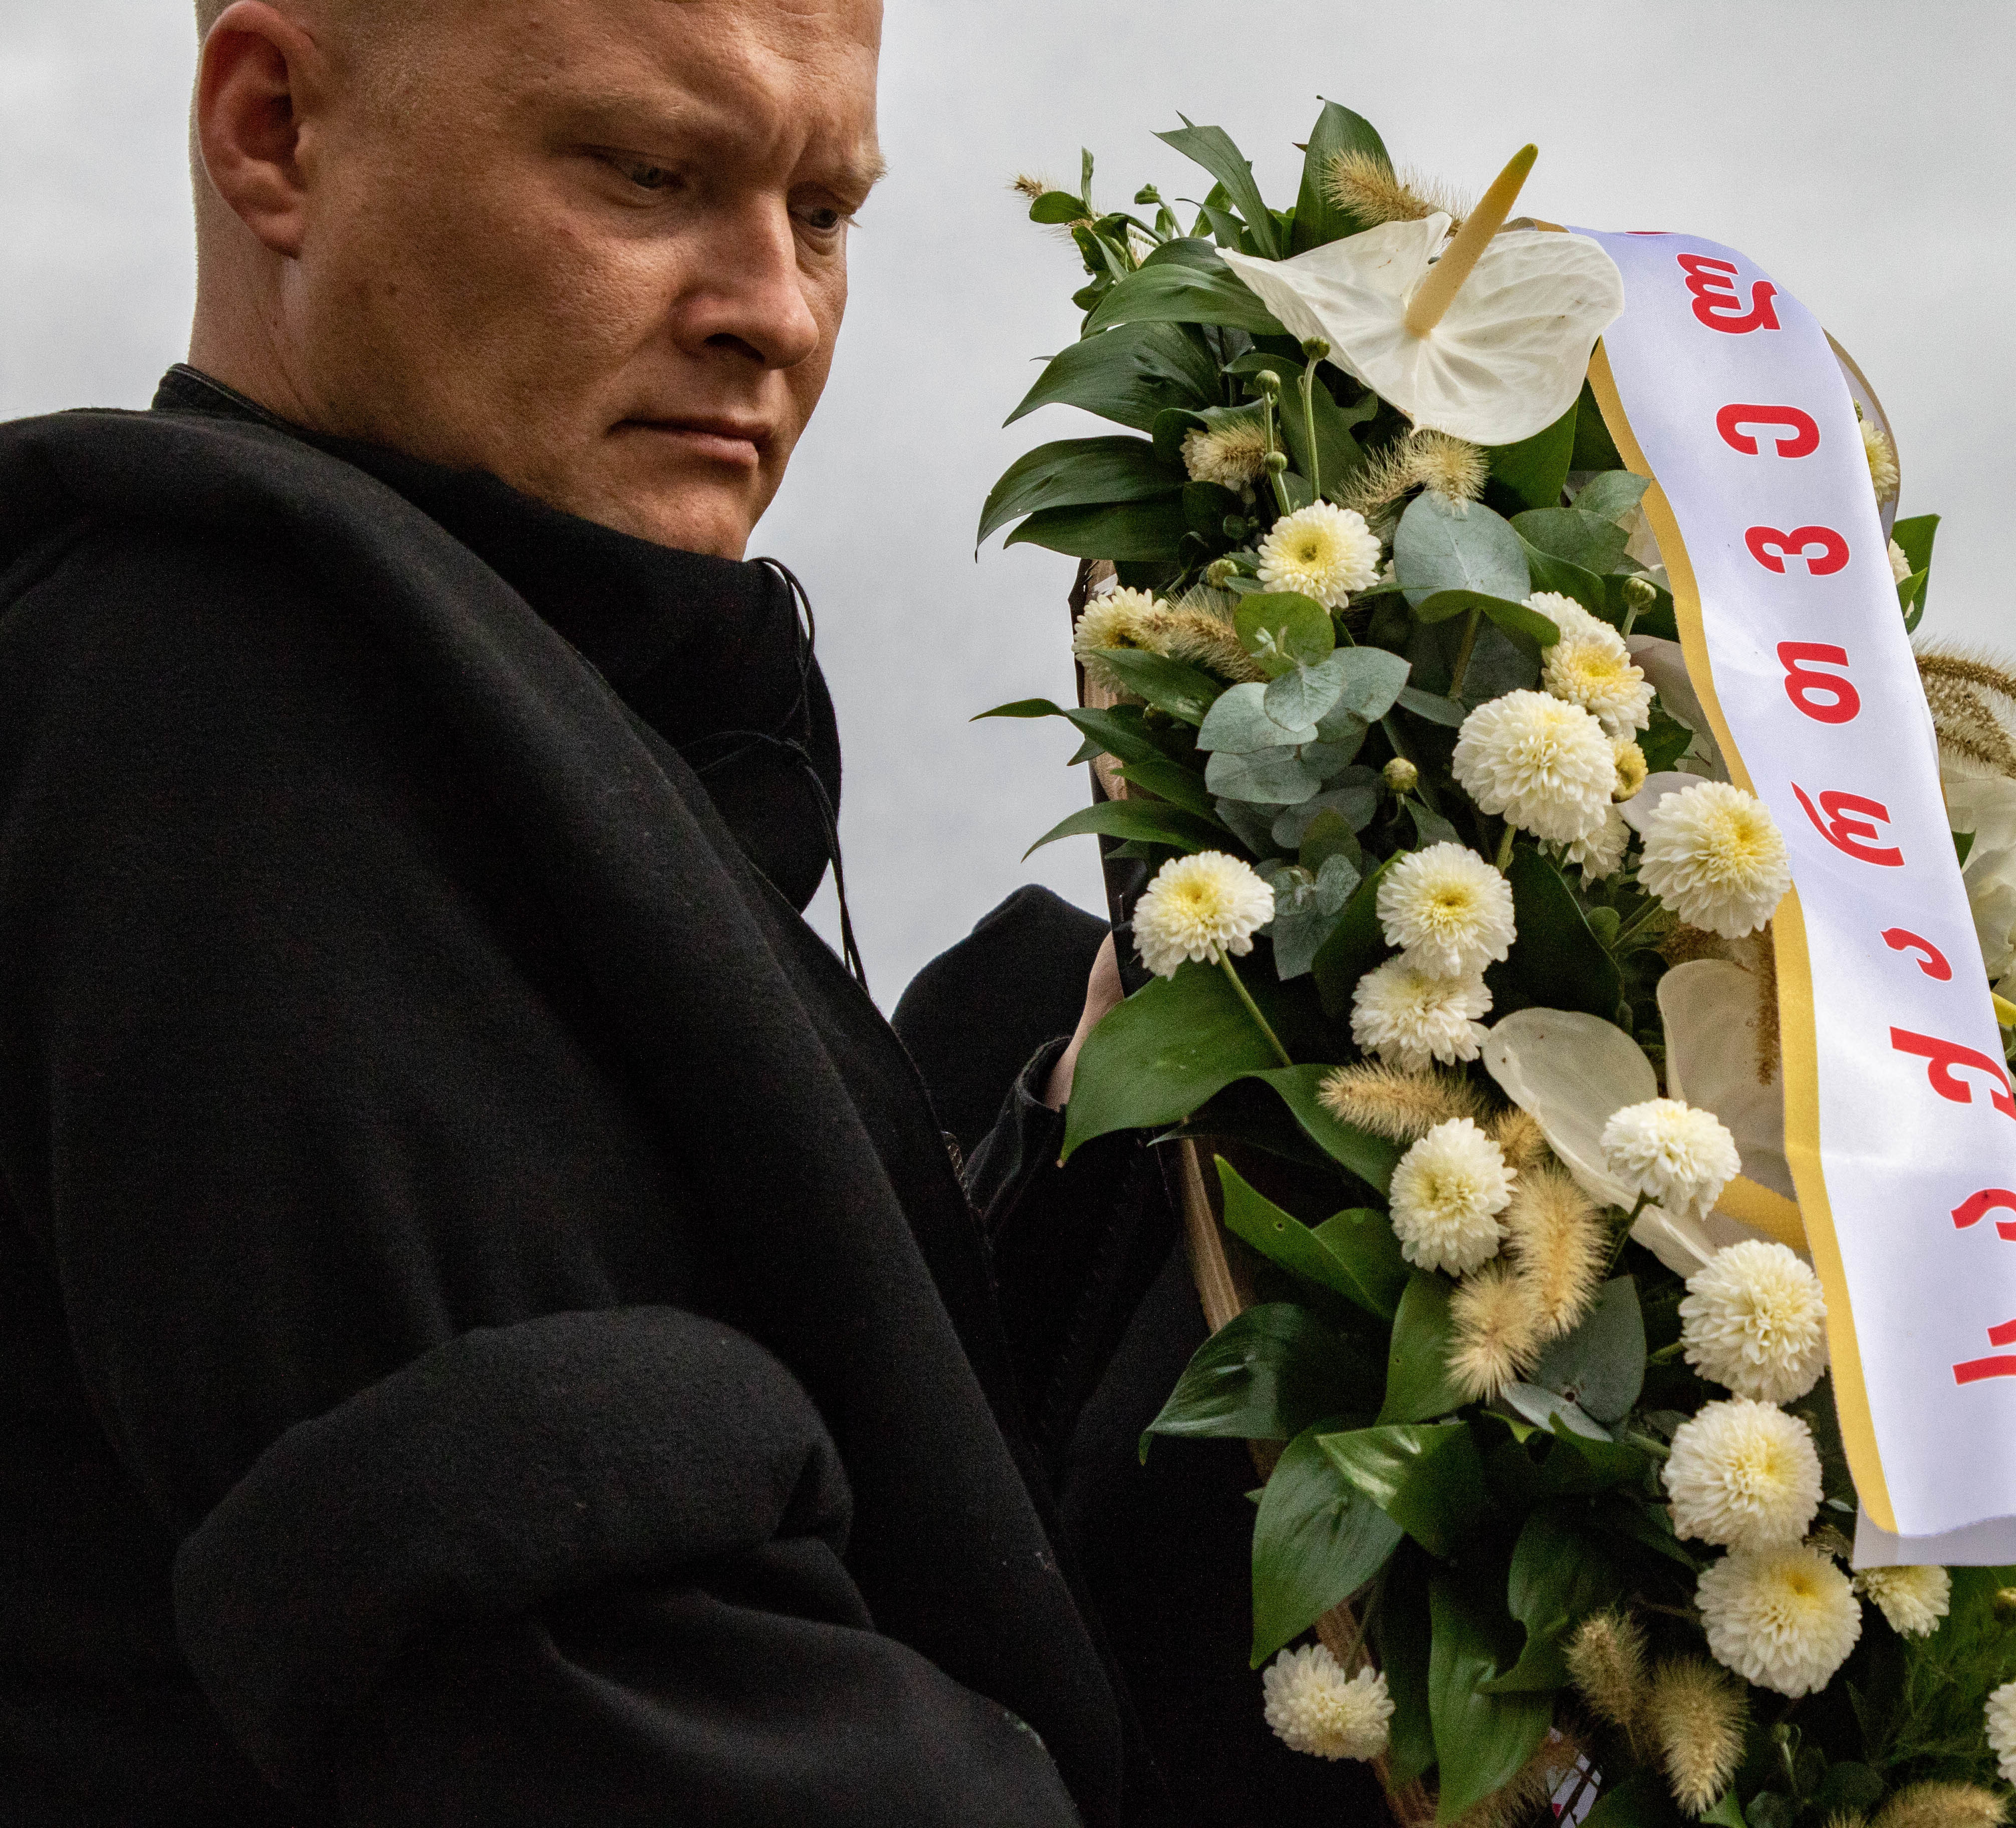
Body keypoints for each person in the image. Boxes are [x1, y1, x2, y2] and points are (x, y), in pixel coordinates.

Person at [0, 1, 1238, 1819]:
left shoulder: (463, 730)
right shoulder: (224, 708)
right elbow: (611, 1714)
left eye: (825, 215)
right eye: (652, 175)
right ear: (274, 131)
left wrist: (1113, 1142)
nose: (780, 311)